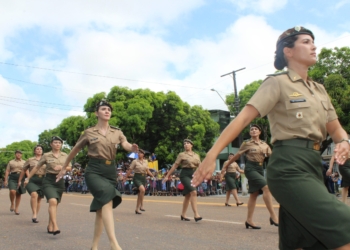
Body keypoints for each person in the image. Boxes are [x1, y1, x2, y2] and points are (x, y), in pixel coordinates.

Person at [192, 26, 350, 249]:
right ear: (288, 51)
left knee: (306, 243)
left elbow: (336, 129)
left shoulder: (319, 90)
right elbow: (242, 119)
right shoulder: (277, 83)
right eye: (305, 42)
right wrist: (211, 155)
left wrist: (343, 141)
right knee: (344, 226)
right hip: (289, 167)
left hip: (314, 166)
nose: (313, 46)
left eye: (313, 41)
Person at [56, 99, 138, 250]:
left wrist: (132, 148)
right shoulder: (89, 132)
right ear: (96, 113)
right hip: (94, 170)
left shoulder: (117, 132)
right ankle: (114, 244)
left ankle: (94, 247)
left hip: (110, 171)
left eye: (109, 109)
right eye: (103, 109)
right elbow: (75, 150)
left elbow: (125, 144)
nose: (107, 111)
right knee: (107, 200)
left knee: (101, 210)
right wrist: (64, 166)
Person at [223, 125, 277, 228]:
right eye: (251, 129)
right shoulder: (246, 144)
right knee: (266, 187)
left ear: (260, 132)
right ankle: (273, 216)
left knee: (254, 194)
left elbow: (273, 156)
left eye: (256, 129)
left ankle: (249, 221)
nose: (253, 130)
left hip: (260, 168)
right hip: (250, 168)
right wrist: (226, 165)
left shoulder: (265, 145)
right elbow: (237, 155)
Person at [25, 136, 71, 235]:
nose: (57, 144)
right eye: (55, 142)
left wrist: (62, 167)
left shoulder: (65, 155)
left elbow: (69, 167)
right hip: (49, 181)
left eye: (59, 142)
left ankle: (50, 225)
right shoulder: (46, 155)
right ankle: (55, 225)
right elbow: (37, 167)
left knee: (54, 204)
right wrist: (28, 178)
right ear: (51, 144)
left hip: (59, 181)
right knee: (52, 201)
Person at [163, 139, 202, 222]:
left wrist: (201, 174)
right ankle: (196, 214)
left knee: (188, 195)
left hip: (193, 174)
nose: (186, 145)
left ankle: (183, 214)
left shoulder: (196, 155)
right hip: (184, 174)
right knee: (193, 192)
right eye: (184, 143)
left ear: (192, 145)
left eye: (188, 143)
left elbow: (200, 166)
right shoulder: (181, 155)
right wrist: (167, 175)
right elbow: (175, 165)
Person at [18, 145, 46, 223]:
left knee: (39, 198)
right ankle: (34, 214)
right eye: (37, 149)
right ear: (34, 151)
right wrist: (20, 181)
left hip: (43, 180)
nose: (39, 150)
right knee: (34, 194)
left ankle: (36, 215)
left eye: (41, 149)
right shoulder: (30, 160)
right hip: (32, 179)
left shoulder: (46, 160)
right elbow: (23, 170)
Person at [126, 149, 154, 214]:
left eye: (140, 153)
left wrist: (152, 175)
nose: (139, 154)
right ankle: (142, 205)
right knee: (143, 190)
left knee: (139, 194)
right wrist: (125, 177)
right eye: (138, 153)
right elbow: (130, 170)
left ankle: (137, 209)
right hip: (137, 177)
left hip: (143, 177)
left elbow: (147, 170)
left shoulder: (145, 161)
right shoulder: (135, 161)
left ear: (143, 154)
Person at [4, 150, 26, 215]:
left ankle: (16, 209)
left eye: (20, 154)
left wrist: (28, 179)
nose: (18, 155)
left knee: (18, 193)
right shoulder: (11, 162)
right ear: (15, 154)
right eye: (17, 153)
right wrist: (6, 180)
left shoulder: (24, 162)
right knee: (12, 191)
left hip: (21, 177)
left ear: (21, 155)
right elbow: (7, 171)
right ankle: (12, 203)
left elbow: (26, 171)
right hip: (13, 177)